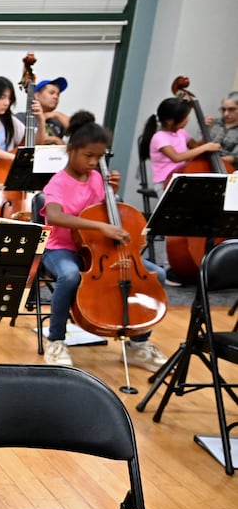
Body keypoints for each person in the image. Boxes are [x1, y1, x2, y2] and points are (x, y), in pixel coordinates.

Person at [42, 116, 170, 371]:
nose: (92, 162)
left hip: (100, 251)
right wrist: (100, 226)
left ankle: (138, 345)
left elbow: (107, 214)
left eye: (98, 157)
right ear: (71, 150)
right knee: (69, 276)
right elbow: (55, 215)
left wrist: (113, 193)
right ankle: (56, 340)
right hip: (61, 248)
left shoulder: (98, 179)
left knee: (158, 274)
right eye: (88, 155)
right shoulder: (58, 181)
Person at [140, 97, 222, 187]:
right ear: (170, 121)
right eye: (185, 117)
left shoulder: (181, 133)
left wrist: (206, 130)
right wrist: (206, 147)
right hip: (165, 182)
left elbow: (196, 147)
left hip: (180, 177)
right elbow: (176, 157)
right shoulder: (159, 137)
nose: (188, 119)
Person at [32, 76, 69, 144]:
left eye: (58, 95)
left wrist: (56, 114)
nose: (56, 97)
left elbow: (80, 133)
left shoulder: (58, 119)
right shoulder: (22, 117)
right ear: (36, 95)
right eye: (51, 93)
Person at [205, 90, 238, 164]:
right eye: (223, 109)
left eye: (231, 109)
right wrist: (205, 129)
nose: (226, 114)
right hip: (205, 163)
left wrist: (213, 162)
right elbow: (197, 146)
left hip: (229, 169)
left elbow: (235, 157)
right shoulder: (212, 123)